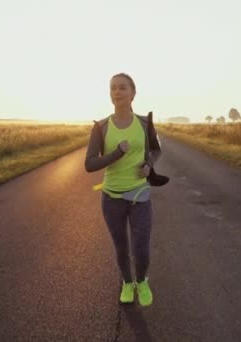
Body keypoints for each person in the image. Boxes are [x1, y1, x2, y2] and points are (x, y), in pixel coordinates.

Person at [84, 73, 163, 306]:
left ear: (133, 93)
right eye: (113, 88)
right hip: (112, 198)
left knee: (141, 248)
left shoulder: (144, 123)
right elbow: (89, 164)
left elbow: (157, 150)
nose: (117, 92)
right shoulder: (101, 127)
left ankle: (141, 281)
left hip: (140, 194)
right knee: (121, 247)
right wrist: (118, 152)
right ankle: (127, 283)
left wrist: (149, 165)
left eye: (122, 88)